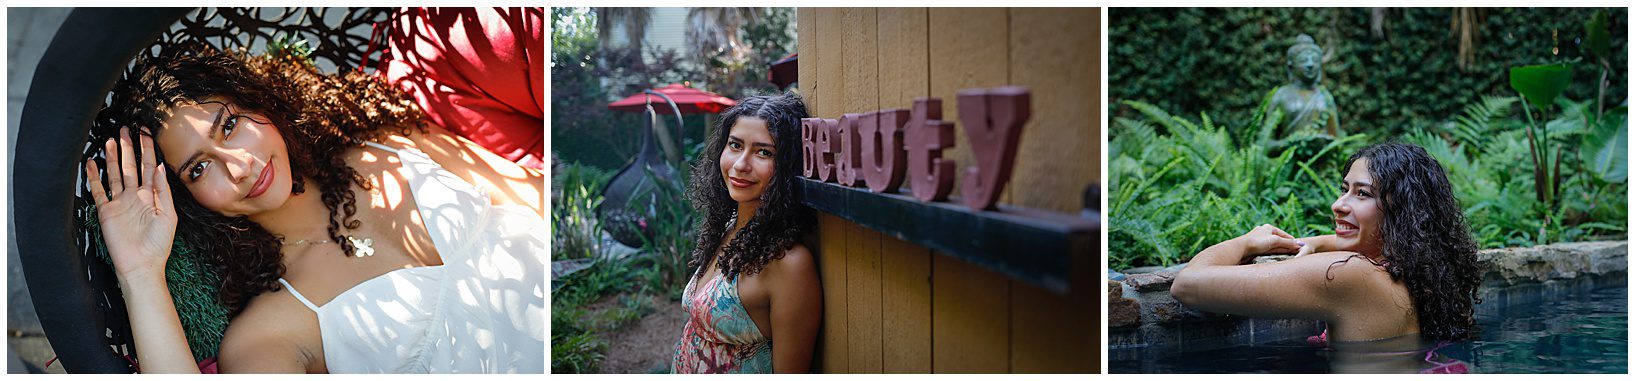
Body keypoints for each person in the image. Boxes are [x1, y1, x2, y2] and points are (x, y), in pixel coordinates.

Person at [84, 41, 544, 373]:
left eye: (229, 126)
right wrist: (140, 273)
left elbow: (533, 192)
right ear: (188, 202)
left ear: (257, 103)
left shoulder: (381, 142)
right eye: (199, 169)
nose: (239, 167)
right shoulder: (270, 331)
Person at [1170, 142, 1480, 373]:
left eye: (1362, 194)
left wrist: (1248, 242)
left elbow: (1186, 285)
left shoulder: (1347, 275)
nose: (1338, 204)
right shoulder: (1423, 268)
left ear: (1403, 213)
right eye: (1345, 189)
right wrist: (1317, 242)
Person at [671, 94, 822, 373]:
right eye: (735, 145)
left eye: (764, 152)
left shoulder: (789, 264)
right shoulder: (728, 230)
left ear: (789, 167)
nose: (741, 164)